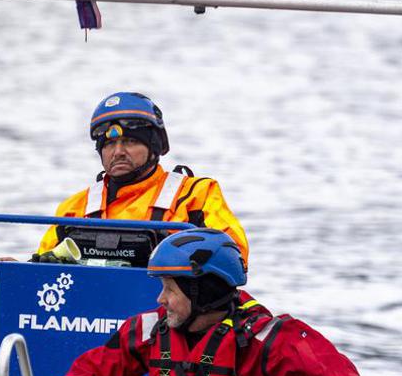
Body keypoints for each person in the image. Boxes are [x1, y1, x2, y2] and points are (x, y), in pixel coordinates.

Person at [55, 229, 360, 376]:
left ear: (203, 291)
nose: (161, 299)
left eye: (170, 289)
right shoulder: (149, 330)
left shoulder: (267, 340)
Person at [34, 92, 250, 265]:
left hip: (168, 311)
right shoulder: (73, 209)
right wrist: (16, 271)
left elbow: (235, 256)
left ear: (153, 146)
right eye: (109, 144)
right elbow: (43, 265)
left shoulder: (195, 195)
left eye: (129, 141)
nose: (117, 152)